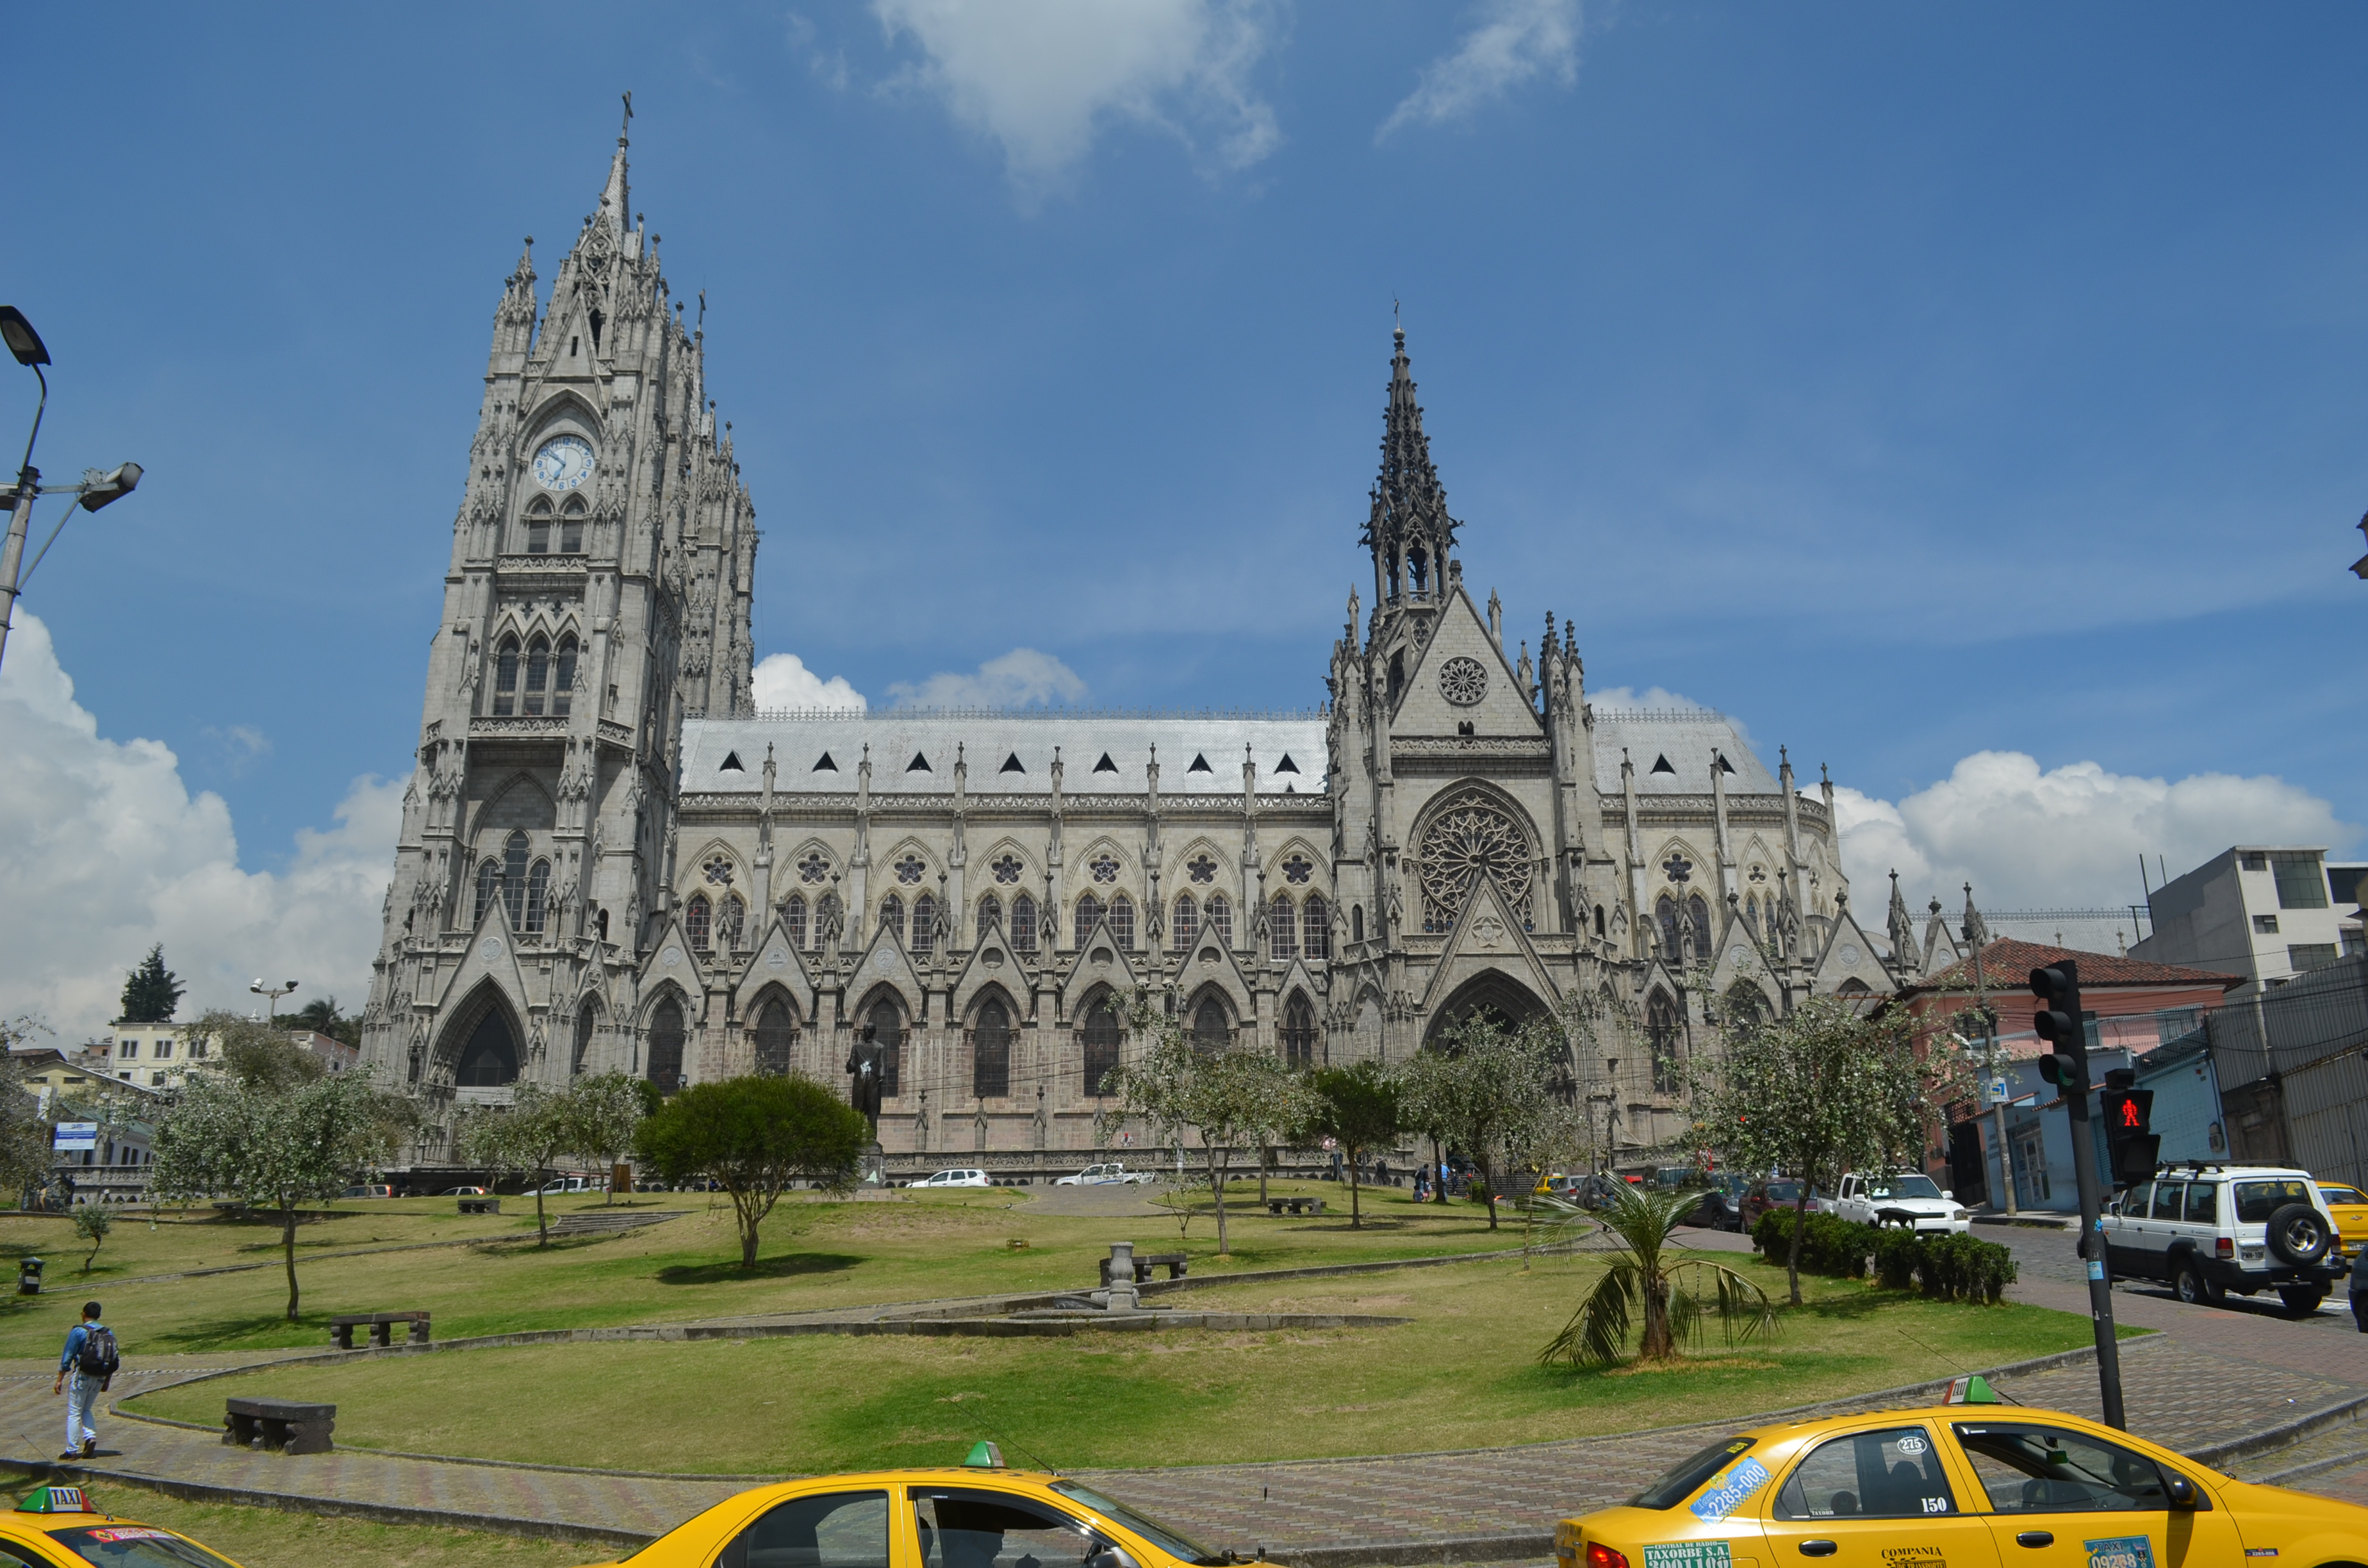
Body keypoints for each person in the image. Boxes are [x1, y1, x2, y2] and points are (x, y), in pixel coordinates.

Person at [53, 1299, 115, 1461]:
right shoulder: (108, 1333)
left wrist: (60, 1379)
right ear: (99, 1316)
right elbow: (112, 1358)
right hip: (100, 1377)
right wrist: (107, 1380)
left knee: (74, 1412)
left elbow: (68, 1357)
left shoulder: (79, 1332)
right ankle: (91, 1437)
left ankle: (72, 1450)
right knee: (86, 1409)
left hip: (82, 1376)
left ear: (83, 1315)